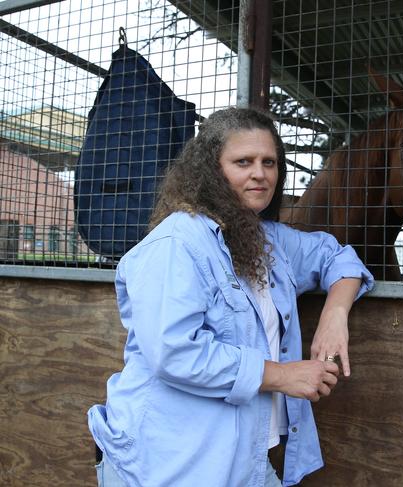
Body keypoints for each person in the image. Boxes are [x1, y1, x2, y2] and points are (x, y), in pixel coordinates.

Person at [88, 107, 374, 487]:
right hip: (169, 462)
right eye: (244, 162)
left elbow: (339, 258)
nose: (260, 173)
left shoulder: (269, 239)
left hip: (246, 461)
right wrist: (282, 375)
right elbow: (174, 351)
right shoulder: (178, 243)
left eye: (269, 162)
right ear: (211, 170)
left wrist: (334, 315)